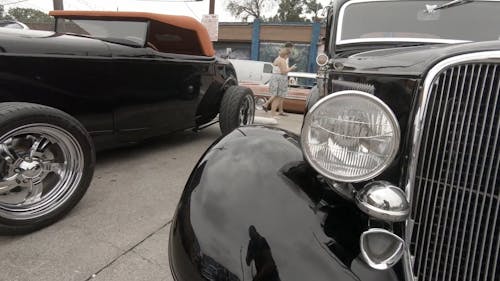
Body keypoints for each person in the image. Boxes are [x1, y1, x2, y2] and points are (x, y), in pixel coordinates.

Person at [263, 47, 296, 118]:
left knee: (275, 96)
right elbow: (284, 72)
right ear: (286, 55)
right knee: (278, 97)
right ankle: (272, 114)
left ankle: (272, 113)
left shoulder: (277, 59)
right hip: (281, 78)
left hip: (275, 77)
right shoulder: (282, 60)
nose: (288, 57)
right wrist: (291, 68)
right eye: (288, 55)